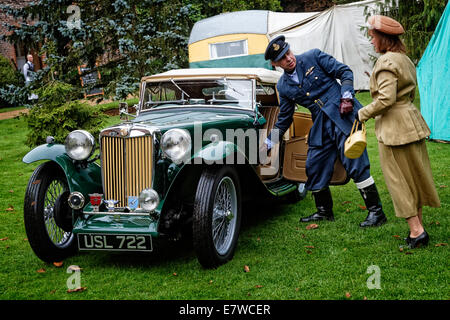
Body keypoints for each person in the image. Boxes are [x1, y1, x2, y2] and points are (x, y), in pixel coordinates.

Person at [263, 35, 387, 227]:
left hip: (343, 113)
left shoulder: (313, 56)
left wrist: (347, 97)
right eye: (282, 58)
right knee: (314, 164)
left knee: (355, 162)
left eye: (288, 52)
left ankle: (376, 212)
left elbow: (344, 71)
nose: (288, 58)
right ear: (275, 63)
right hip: (321, 123)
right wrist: (269, 143)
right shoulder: (283, 86)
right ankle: (324, 211)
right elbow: (284, 119)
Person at [357, 15, 440, 248]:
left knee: (399, 182)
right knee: (414, 176)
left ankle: (417, 231)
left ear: (384, 38)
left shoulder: (386, 63)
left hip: (394, 128)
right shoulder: (404, 59)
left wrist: (362, 113)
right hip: (411, 122)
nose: (372, 41)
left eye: (373, 36)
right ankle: (418, 228)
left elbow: (385, 99)